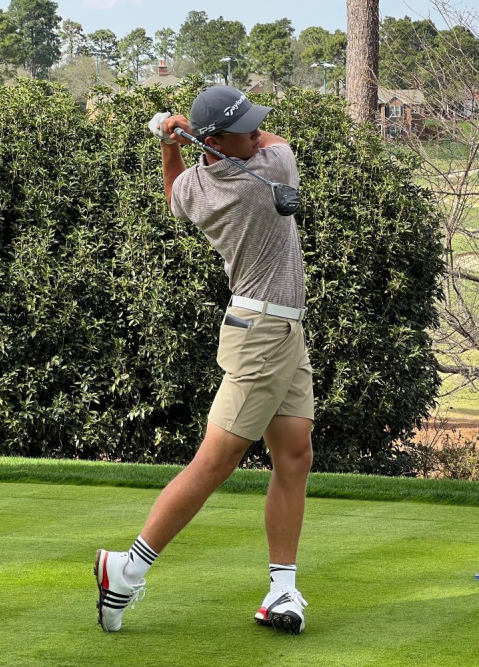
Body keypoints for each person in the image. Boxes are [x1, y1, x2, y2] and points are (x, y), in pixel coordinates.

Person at [93, 86, 315, 636]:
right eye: (246, 129)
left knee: (295, 455)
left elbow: (174, 192)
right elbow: (276, 142)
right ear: (217, 140)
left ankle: (282, 590)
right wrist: (189, 137)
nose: (259, 132)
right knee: (214, 463)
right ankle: (126, 569)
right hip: (262, 334)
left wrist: (171, 144)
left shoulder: (198, 185)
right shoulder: (268, 172)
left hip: (280, 329)